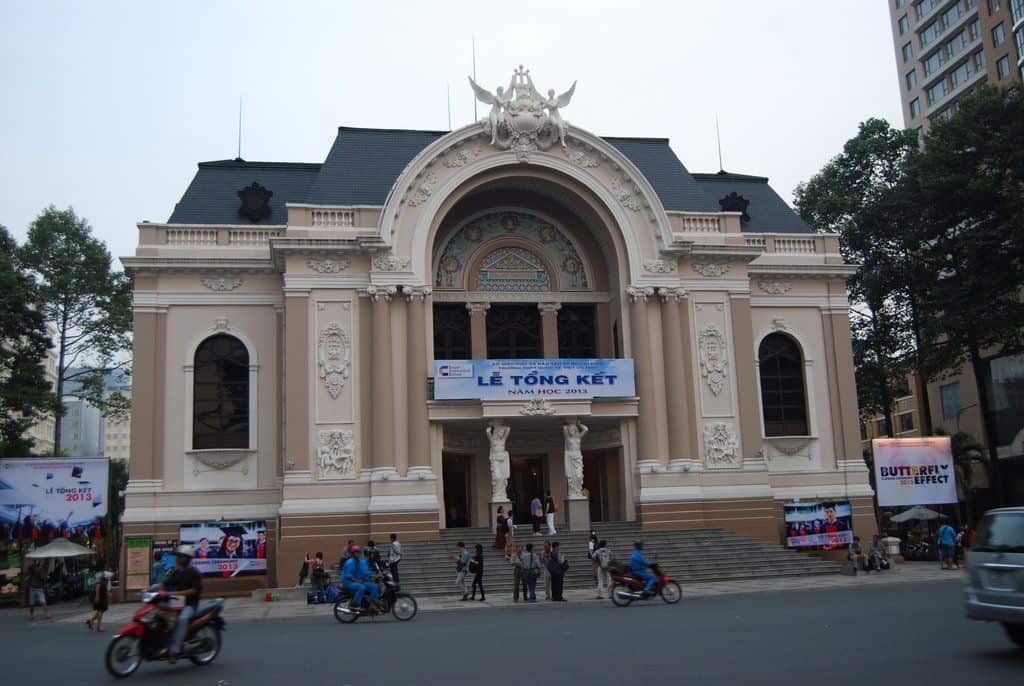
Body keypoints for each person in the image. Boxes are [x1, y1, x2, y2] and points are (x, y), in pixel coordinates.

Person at [161, 545, 202, 663]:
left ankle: (174, 650)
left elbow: (194, 590)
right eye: (177, 556)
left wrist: (176, 593)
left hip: (190, 605)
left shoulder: (194, 573)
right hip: (176, 603)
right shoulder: (177, 572)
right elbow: (165, 583)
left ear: (187, 558)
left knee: (182, 619)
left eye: (180, 557)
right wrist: (153, 589)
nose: (178, 559)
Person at [341, 546, 380, 611]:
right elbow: (348, 575)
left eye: (359, 552)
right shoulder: (350, 562)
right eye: (357, 552)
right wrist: (357, 580)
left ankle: (371, 604)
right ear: (353, 554)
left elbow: (363, 572)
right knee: (361, 587)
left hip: (357, 581)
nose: (359, 554)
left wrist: (370, 576)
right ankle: (354, 604)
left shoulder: (358, 561)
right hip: (348, 582)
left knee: (374, 587)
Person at [87, 567, 112, 631]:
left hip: (103, 595)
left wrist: (108, 593)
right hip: (99, 595)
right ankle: (99, 626)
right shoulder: (101, 575)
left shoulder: (106, 577)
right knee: (100, 610)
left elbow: (106, 586)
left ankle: (92, 621)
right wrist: (97, 596)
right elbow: (98, 586)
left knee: (102, 610)